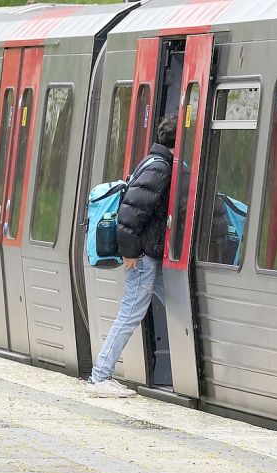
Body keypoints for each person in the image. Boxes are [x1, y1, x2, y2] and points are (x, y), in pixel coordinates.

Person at [85, 115, 177, 398]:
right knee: (130, 314)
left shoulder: (153, 162)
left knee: (179, 301)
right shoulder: (160, 169)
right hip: (143, 256)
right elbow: (129, 214)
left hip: (149, 254)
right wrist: (131, 253)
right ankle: (100, 376)